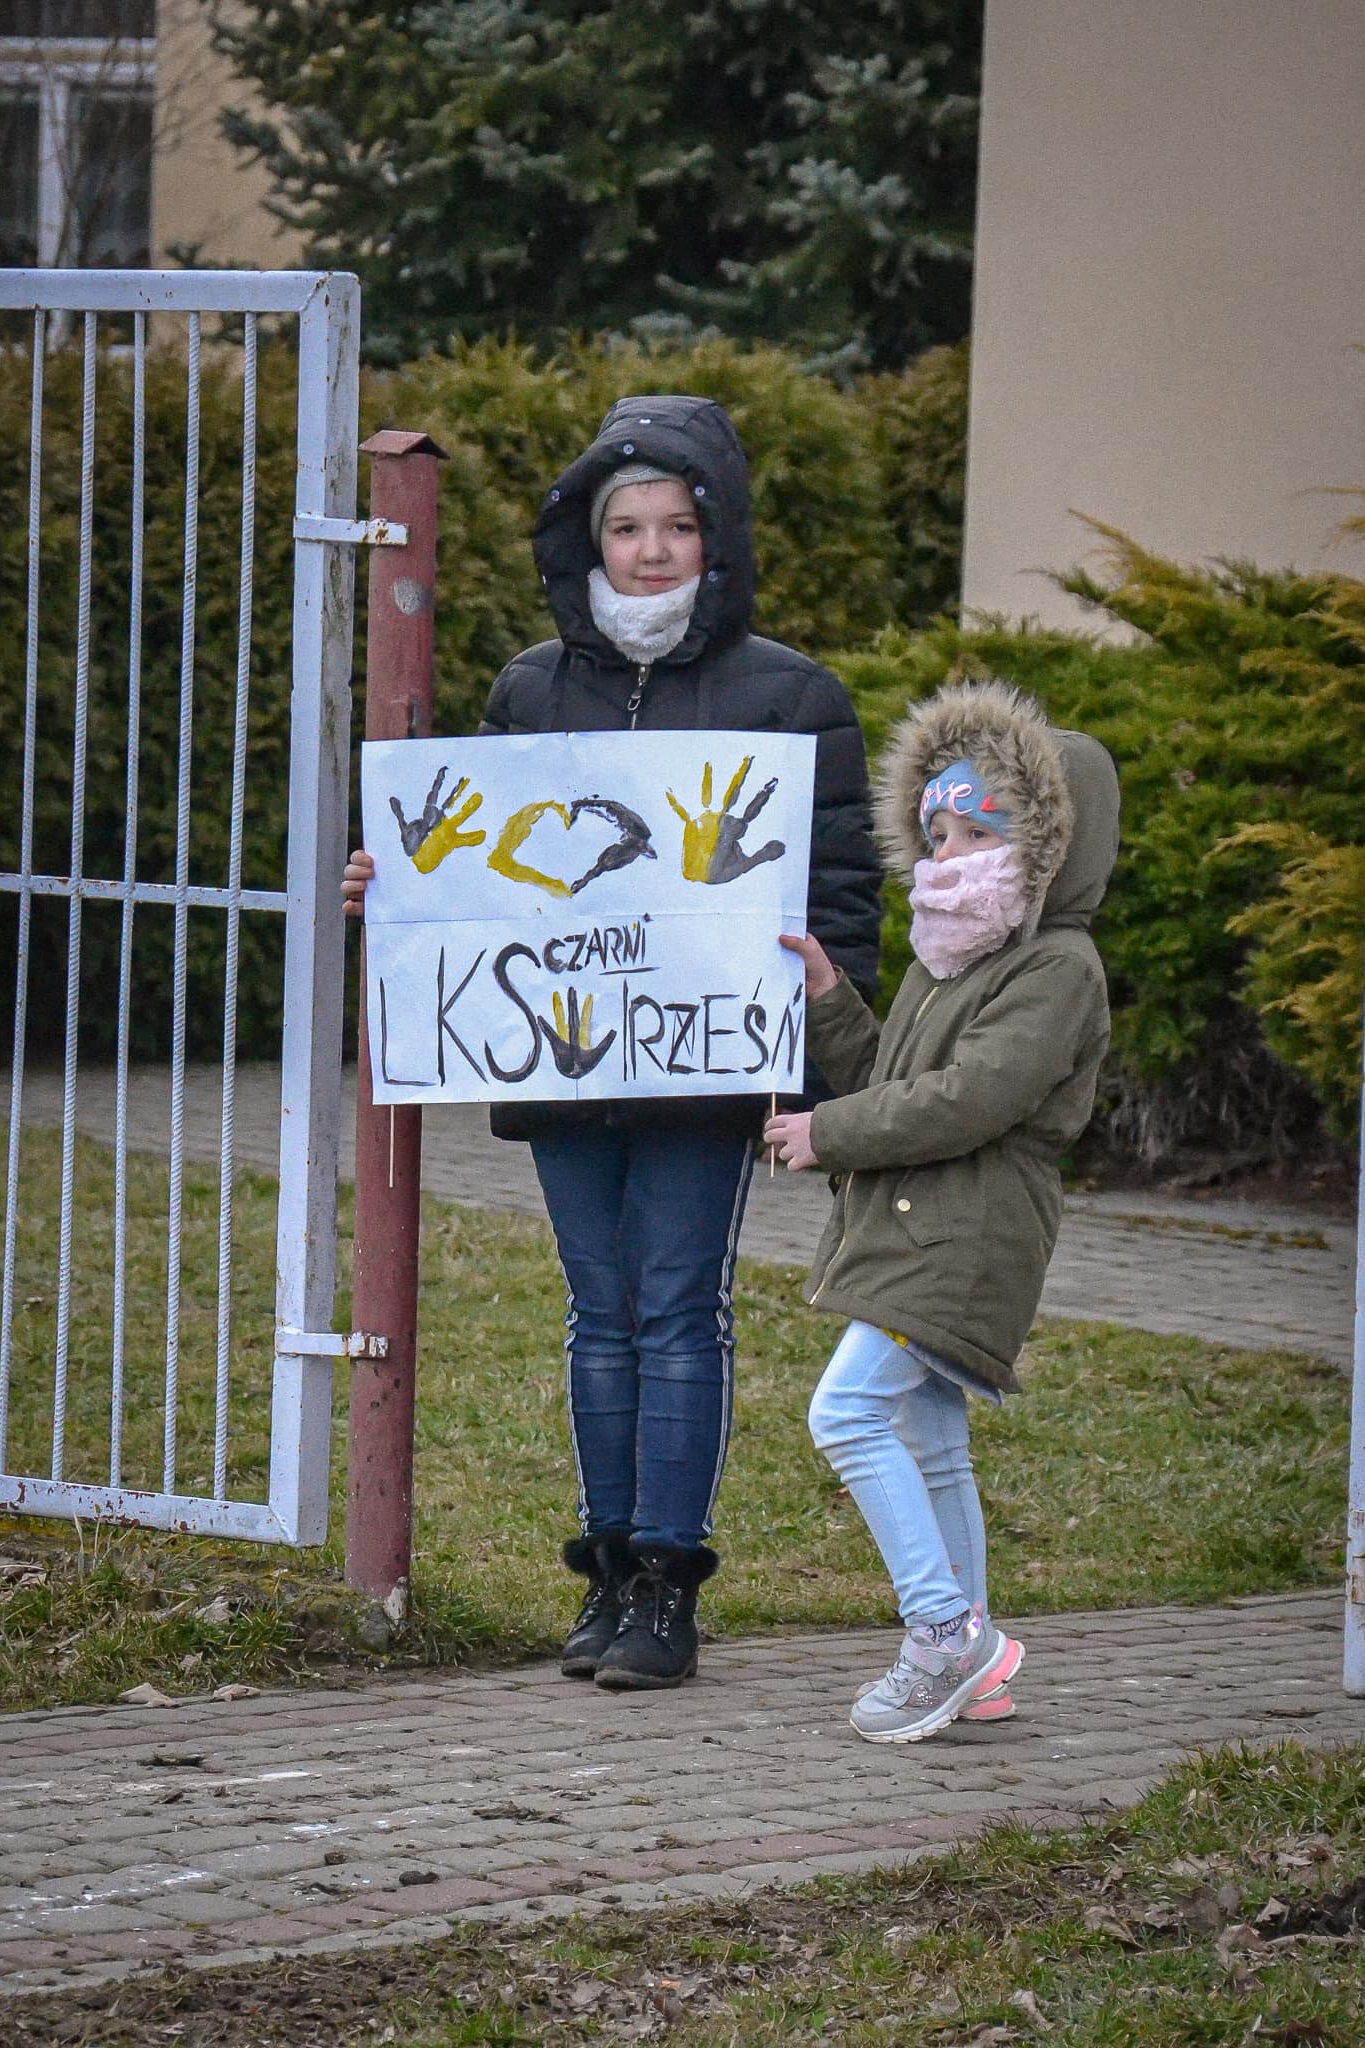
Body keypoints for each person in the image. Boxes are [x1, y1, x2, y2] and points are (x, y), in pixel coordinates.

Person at [343, 394, 882, 1690]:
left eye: (678, 526)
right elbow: (478, 866)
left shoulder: (791, 696)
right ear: (585, 540)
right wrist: (395, 884)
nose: (650, 549)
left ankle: (664, 1585)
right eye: (626, 525)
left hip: (704, 1060)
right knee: (598, 1313)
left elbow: (843, 894)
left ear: (719, 539)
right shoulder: (532, 686)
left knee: (675, 1309)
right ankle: (603, 1576)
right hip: (570, 1054)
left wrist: (815, 1014)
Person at [766, 677, 1119, 1741]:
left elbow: (969, 1098)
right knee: (930, 1439)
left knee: (847, 1411)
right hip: (916, 1224)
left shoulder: (1055, 966)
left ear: (1053, 843)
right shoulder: (947, 951)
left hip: (967, 1234)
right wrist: (831, 999)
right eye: (937, 829)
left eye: (979, 827)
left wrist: (827, 1132)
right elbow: (892, 1068)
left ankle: (943, 1634)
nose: (951, 848)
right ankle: (980, 1663)